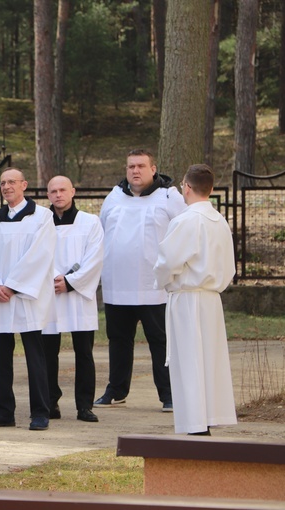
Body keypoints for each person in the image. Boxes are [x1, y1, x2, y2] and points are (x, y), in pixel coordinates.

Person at [95, 149, 186, 411]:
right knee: (119, 340)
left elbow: (184, 233)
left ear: (153, 169)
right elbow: (102, 233)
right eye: (131, 166)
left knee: (161, 342)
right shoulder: (113, 198)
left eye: (141, 166)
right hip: (117, 284)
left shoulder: (169, 197)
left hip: (154, 286)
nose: (135, 171)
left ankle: (169, 394)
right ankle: (116, 390)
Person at [153, 164, 236, 435]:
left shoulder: (186, 220)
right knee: (209, 359)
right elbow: (230, 267)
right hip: (211, 298)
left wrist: (164, 282)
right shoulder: (220, 221)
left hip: (188, 298)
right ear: (211, 190)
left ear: (186, 187)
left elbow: (168, 261)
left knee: (188, 359)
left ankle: (194, 423)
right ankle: (209, 415)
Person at [0, 168, 57, 431]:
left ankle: (40, 411)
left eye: (12, 182)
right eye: (2, 183)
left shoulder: (42, 216)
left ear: (24, 184)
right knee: (0, 354)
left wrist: (12, 285)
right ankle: (3, 410)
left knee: (35, 354)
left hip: (26, 297)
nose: (6, 186)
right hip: (0, 295)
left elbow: (40, 255)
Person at [42, 176, 104, 423]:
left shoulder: (90, 222)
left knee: (84, 353)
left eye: (63, 190)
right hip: (49, 294)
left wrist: (71, 282)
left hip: (78, 295)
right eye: (53, 191)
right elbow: (34, 254)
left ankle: (85, 406)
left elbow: (95, 256)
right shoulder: (40, 223)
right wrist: (51, 280)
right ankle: (49, 402)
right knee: (48, 353)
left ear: (73, 192)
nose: (58, 195)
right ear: (48, 195)